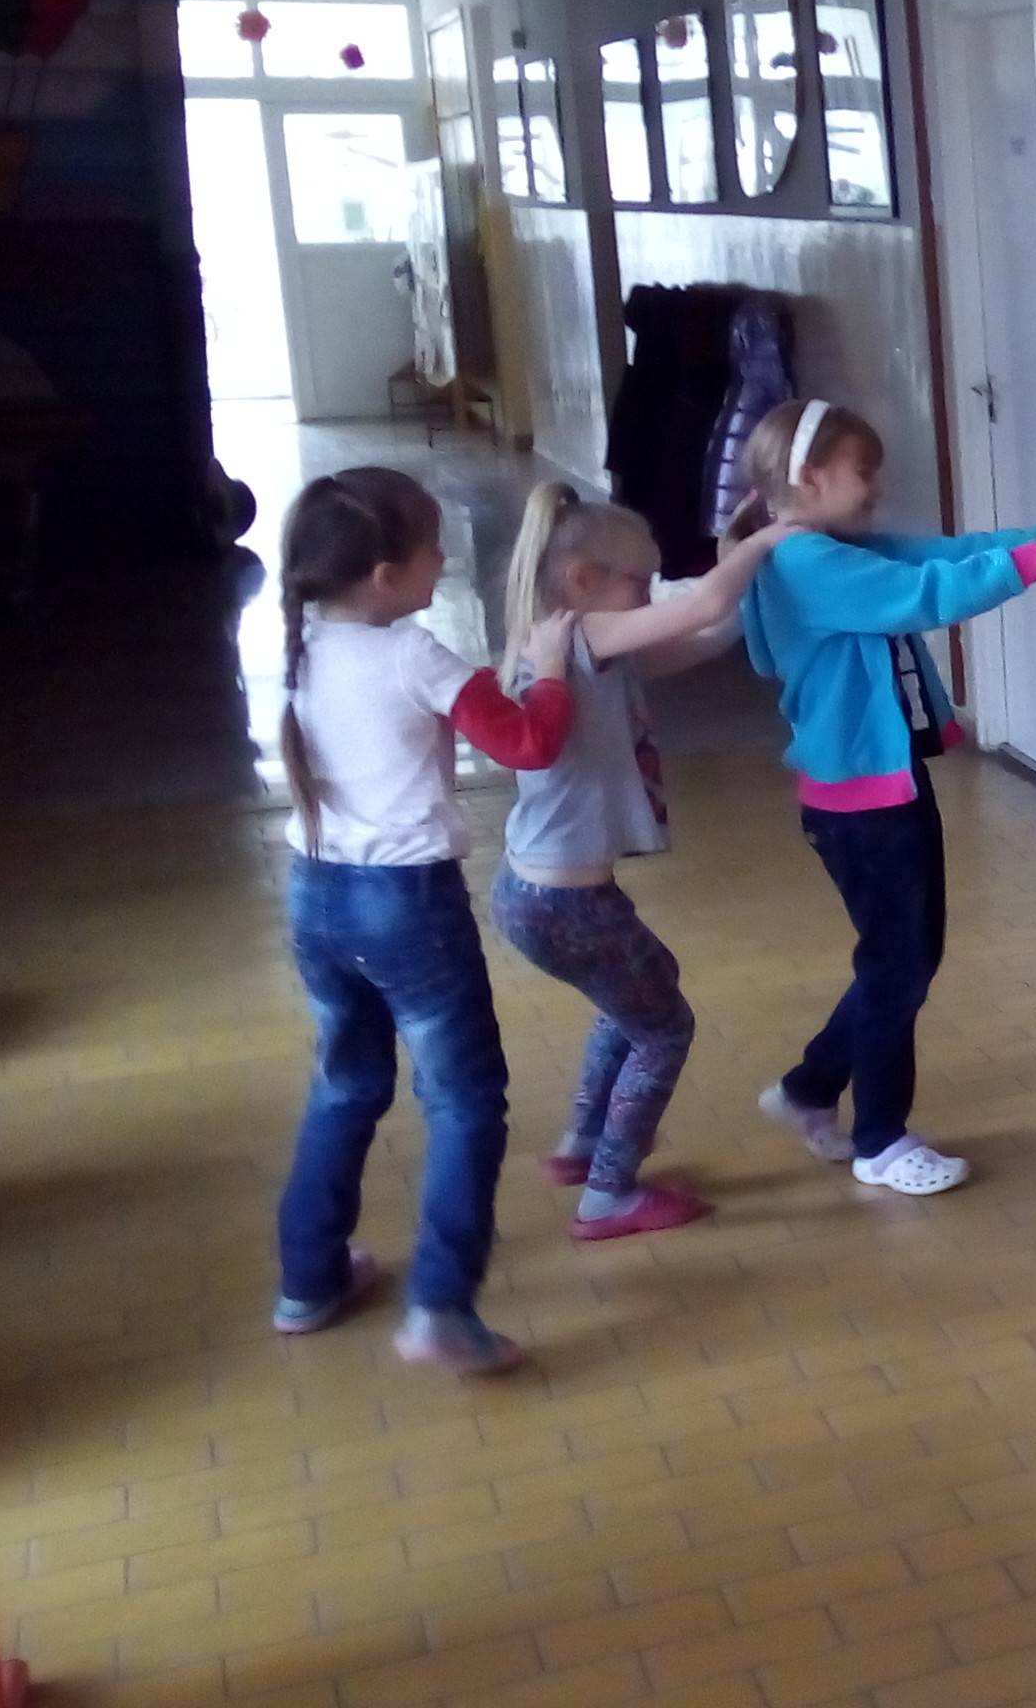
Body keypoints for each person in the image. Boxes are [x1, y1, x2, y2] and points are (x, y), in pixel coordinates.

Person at [267, 465, 579, 1376]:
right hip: (408, 907)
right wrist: (551, 671)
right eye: (433, 550)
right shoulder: (414, 654)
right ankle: (441, 1304)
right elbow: (529, 742)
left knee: (345, 1083)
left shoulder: (303, 643)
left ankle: (308, 1280)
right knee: (465, 1100)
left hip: (315, 896)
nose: (445, 562)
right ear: (382, 575)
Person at [739, 397, 1036, 1195]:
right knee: (897, 965)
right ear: (810, 476)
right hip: (860, 805)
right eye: (865, 472)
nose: (878, 487)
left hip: (885, 788)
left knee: (903, 958)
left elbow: (947, 555)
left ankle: (809, 1090)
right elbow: (930, 593)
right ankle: (881, 1140)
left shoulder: (834, 547)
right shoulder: (806, 563)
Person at [489, 481, 794, 1240]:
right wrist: (764, 543)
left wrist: (741, 569)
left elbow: (700, 633)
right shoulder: (584, 633)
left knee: (633, 1000)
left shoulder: (580, 643)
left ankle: (584, 1144)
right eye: (640, 580)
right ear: (582, 580)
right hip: (564, 900)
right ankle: (608, 1193)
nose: (651, 594)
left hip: (539, 891)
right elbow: (698, 606)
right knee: (665, 1028)